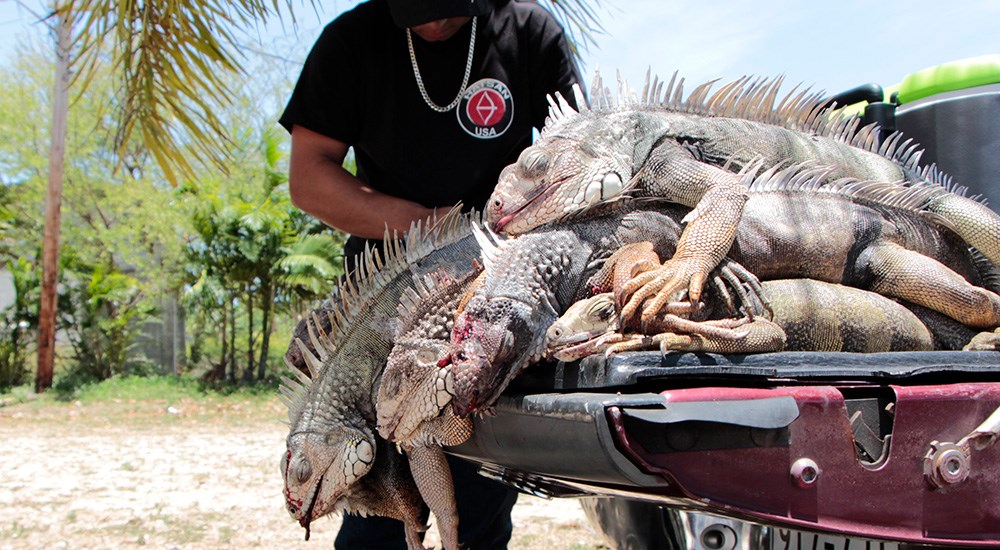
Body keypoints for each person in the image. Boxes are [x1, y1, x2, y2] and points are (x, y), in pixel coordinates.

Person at [279, 0, 582, 548]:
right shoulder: (349, 41)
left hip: (496, 298)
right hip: (386, 313)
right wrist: (435, 226)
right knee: (379, 523)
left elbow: (574, 157)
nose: (435, 20)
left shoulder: (530, 32)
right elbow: (309, 178)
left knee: (475, 513)